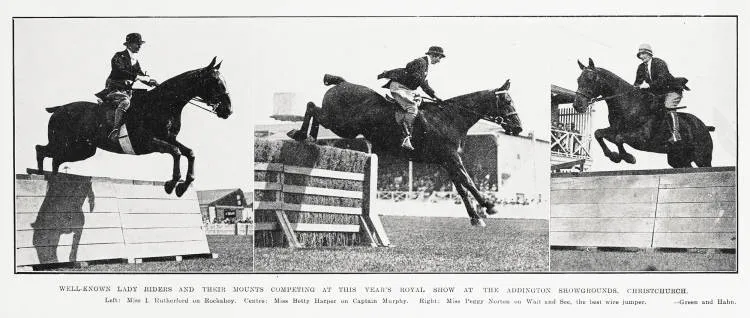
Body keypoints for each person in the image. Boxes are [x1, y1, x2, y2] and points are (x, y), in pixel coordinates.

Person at [378, 46, 445, 150]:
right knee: (412, 108)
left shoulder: (425, 64)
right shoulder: (421, 62)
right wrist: (434, 96)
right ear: (433, 55)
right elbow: (421, 82)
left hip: (406, 88)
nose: (439, 61)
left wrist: (434, 95)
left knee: (419, 102)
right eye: (439, 58)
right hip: (399, 87)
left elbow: (422, 82)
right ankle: (405, 136)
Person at [96, 33, 159, 142]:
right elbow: (120, 71)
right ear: (129, 44)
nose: (139, 46)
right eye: (137, 44)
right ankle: (115, 130)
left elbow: (141, 76)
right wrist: (139, 77)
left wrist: (151, 82)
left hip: (127, 90)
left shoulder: (135, 61)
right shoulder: (118, 56)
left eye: (140, 44)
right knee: (125, 102)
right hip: (113, 89)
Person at [633, 43, 689, 143]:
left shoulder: (659, 63)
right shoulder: (641, 67)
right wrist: (633, 89)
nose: (641, 57)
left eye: (643, 54)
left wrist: (649, 86)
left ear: (649, 54)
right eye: (640, 55)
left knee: (668, 106)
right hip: (659, 93)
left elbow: (662, 80)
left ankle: (676, 134)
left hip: (671, 91)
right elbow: (637, 83)